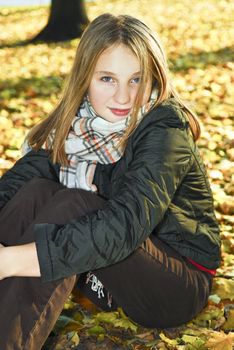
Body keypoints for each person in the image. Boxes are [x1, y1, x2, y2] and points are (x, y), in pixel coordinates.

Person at [0, 13, 220, 350]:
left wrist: (11, 260)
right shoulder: (74, 127)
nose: (123, 97)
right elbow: (17, 184)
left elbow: (124, 225)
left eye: (136, 79)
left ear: (156, 77)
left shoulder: (165, 128)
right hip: (107, 271)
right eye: (107, 79)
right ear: (85, 79)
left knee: (74, 203)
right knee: (37, 190)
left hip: (173, 284)